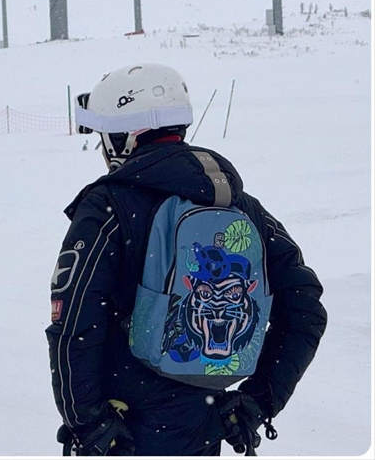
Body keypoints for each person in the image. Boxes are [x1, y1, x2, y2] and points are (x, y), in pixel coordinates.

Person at [48, 63, 327, 456]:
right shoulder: (241, 205)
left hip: (124, 431)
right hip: (202, 426)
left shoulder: (108, 206)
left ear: (122, 136)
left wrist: (86, 422)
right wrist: (258, 401)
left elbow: (75, 321)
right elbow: (305, 306)